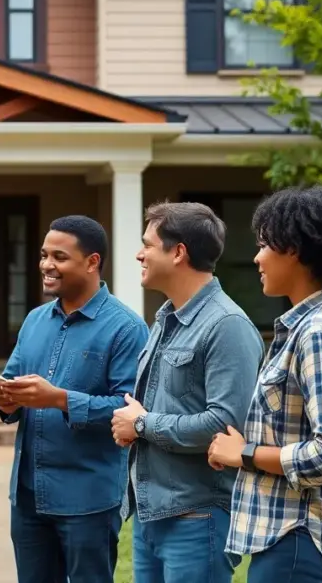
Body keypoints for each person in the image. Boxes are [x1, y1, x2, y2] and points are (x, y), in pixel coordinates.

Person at [208, 185, 322, 583]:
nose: (256, 257)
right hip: (296, 544)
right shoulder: (316, 325)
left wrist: (245, 454)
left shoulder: (319, 334)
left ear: (296, 250)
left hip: (304, 544)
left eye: (265, 244)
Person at [110, 201, 263, 583]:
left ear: (178, 252)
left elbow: (225, 426)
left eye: (148, 244)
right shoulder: (165, 320)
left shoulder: (227, 326)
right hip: (153, 515)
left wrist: (142, 424)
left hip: (198, 519)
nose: (138, 253)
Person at [0, 215, 149, 583]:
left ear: (92, 262)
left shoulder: (126, 328)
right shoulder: (34, 320)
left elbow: (131, 411)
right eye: (44, 255)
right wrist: (6, 400)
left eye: (59, 257)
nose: (47, 264)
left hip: (87, 500)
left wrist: (61, 399)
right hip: (28, 496)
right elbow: (11, 384)